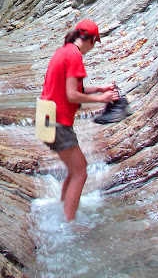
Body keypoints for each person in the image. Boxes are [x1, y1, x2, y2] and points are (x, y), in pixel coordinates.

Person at [40, 19, 119, 223]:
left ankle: (63, 209)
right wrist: (101, 99)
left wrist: (99, 89)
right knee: (81, 172)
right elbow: (72, 95)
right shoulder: (74, 55)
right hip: (57, 122)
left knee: (75, 170)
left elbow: (70, 89)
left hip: (47, 119)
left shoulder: (64, 51)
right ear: (92, 40)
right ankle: (69, 224)